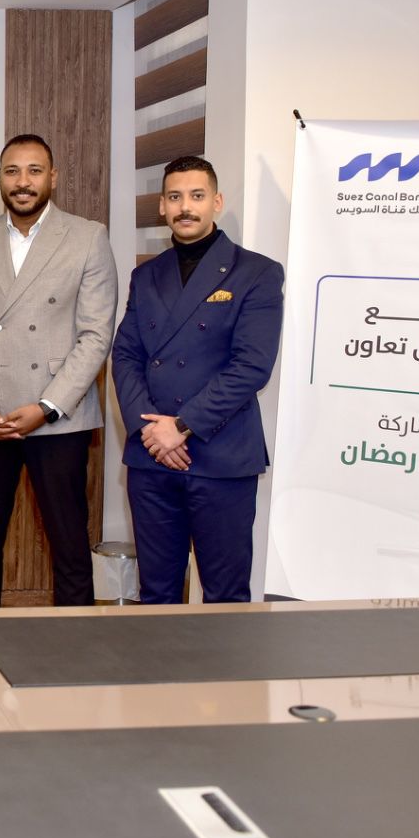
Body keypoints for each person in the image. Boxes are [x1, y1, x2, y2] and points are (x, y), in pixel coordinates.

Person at [0, 133, 118, 608]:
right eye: (12, 171)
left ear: (52, 177)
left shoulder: (88, 236)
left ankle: (72, 646)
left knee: (70, 546)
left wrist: (47, 406)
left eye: (34, 171)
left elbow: (95, 335)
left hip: (58, 418)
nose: (23, 182)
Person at [111, 155, 284, 604]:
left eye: (196, 196)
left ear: (216, 202)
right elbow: (126, 355)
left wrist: (181, 426)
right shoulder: (146, 275)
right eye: (175, 197)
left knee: (224, 597)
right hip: (152, 458)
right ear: (162, 207)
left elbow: (252, 366)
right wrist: (151, 432)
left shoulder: (257, 273)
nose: (185, 207)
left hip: (220, 456)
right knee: (156, 593)